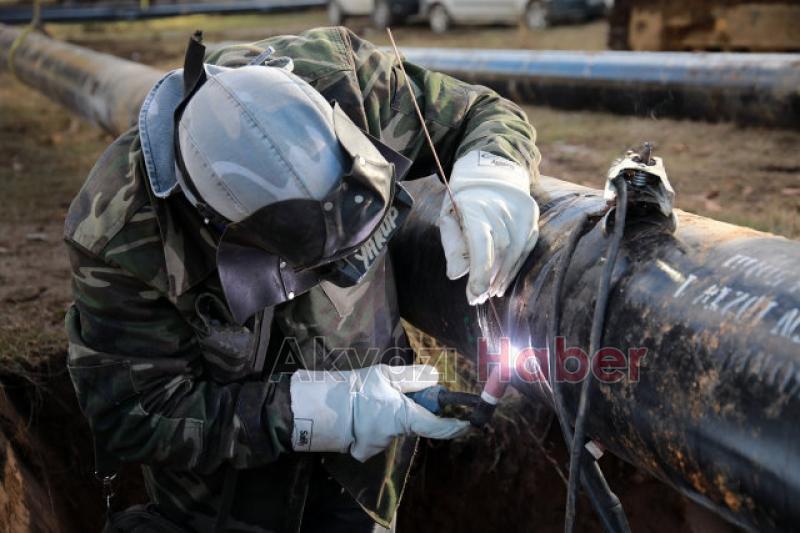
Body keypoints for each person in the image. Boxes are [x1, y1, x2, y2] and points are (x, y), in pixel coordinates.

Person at [64, 26, 541, 533]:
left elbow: (481, 113)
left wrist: (492, 173)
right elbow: (133, 413)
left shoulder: (349, 81)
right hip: (224, 500)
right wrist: (325, 412)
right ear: (226, 232)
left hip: (362, 478)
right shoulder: (119, 238)